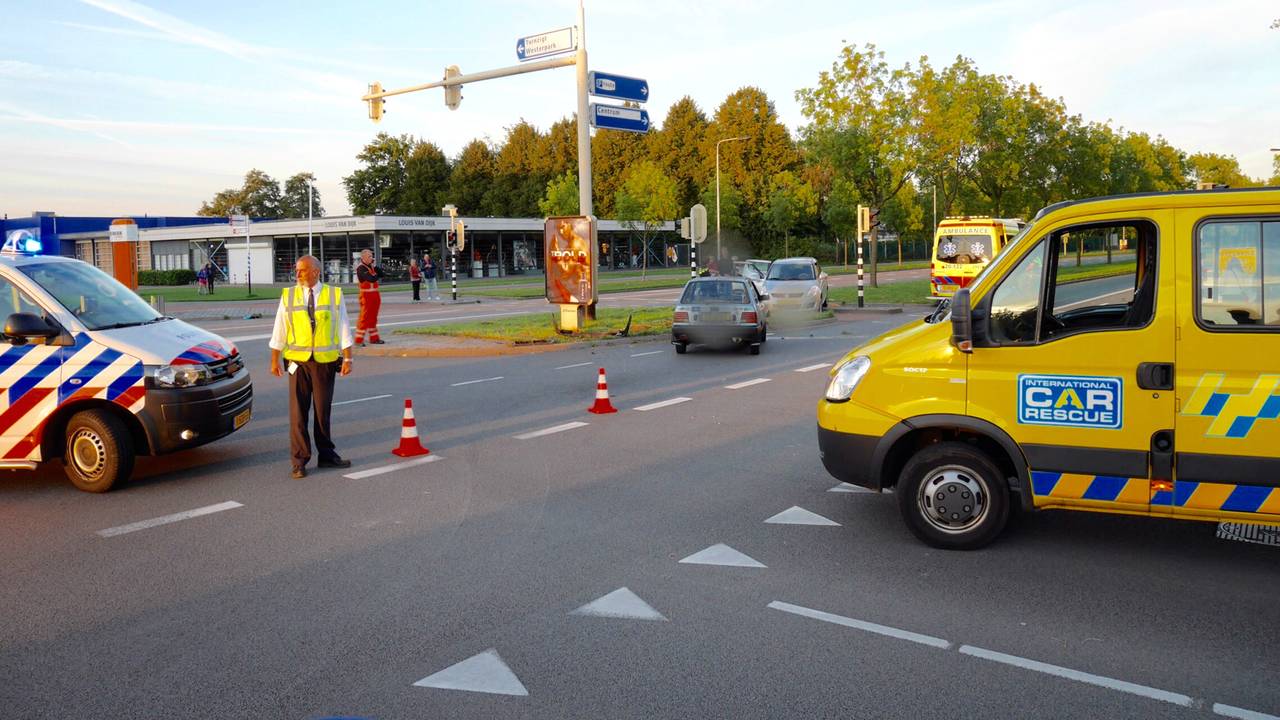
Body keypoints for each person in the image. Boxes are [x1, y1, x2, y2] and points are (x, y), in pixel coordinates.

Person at [268, 255, 354, 479]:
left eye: (302, 270)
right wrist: (274, 358)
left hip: (324, 363)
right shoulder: (288, 295)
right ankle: (299, 461)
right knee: (298, 414)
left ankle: (326, 455)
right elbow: (280, 327)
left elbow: (343, 325)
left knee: (322, 412)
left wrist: (348, 358)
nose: (298, 275)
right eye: (296, 270)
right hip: (298, 362)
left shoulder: (334, 294)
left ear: (316, 271)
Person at [354, 248, 384, 346]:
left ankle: (374, 338)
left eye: (372, 256)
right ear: (363, 257)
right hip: (366, 295)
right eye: (369, 256)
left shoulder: (371, 266)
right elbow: (371, 279)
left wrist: (375, 267)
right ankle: (358, 340)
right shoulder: (361, 268)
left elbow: (382, 274)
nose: (372, 258)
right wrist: (376, 274)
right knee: (364, 318)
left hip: (375, 295)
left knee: (373, 318)